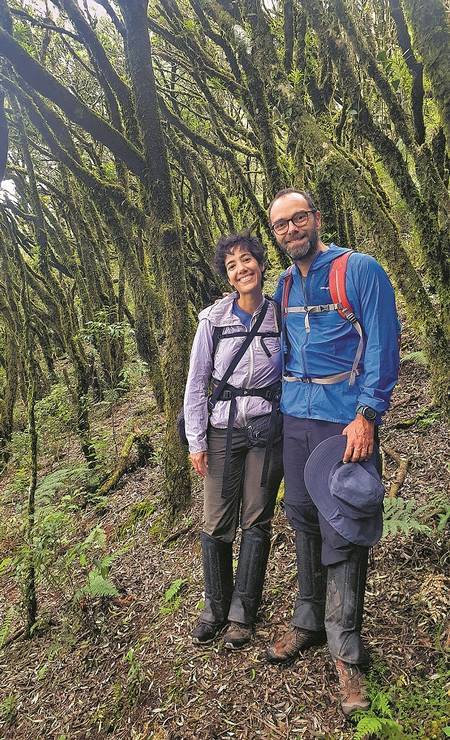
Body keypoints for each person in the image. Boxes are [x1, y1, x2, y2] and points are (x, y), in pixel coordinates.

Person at [265, 188, 400, 716]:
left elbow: (384, 344)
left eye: (299, 219)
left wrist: (368, 414)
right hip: (294, 417)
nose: (292, 229)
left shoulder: (359, 270)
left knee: (344, 526)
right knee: (301, 518)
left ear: (316, 218)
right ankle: (308, 622)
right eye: (281, 225)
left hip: (344, 422)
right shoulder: (283, 284)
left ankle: (347, 654)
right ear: (275, 235)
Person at [184, 232, 284, 650]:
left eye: (247, 260)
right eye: (232, 265)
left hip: (265, 429)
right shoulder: (212, 320)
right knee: (216, 520)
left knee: (257, 518)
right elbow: (195, 384)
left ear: (261, 264)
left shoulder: (281, 316)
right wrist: (195, 441)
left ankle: (244, 613)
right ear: (227, 277)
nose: (242, 269)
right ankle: (215, 607)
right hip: (221, 429)